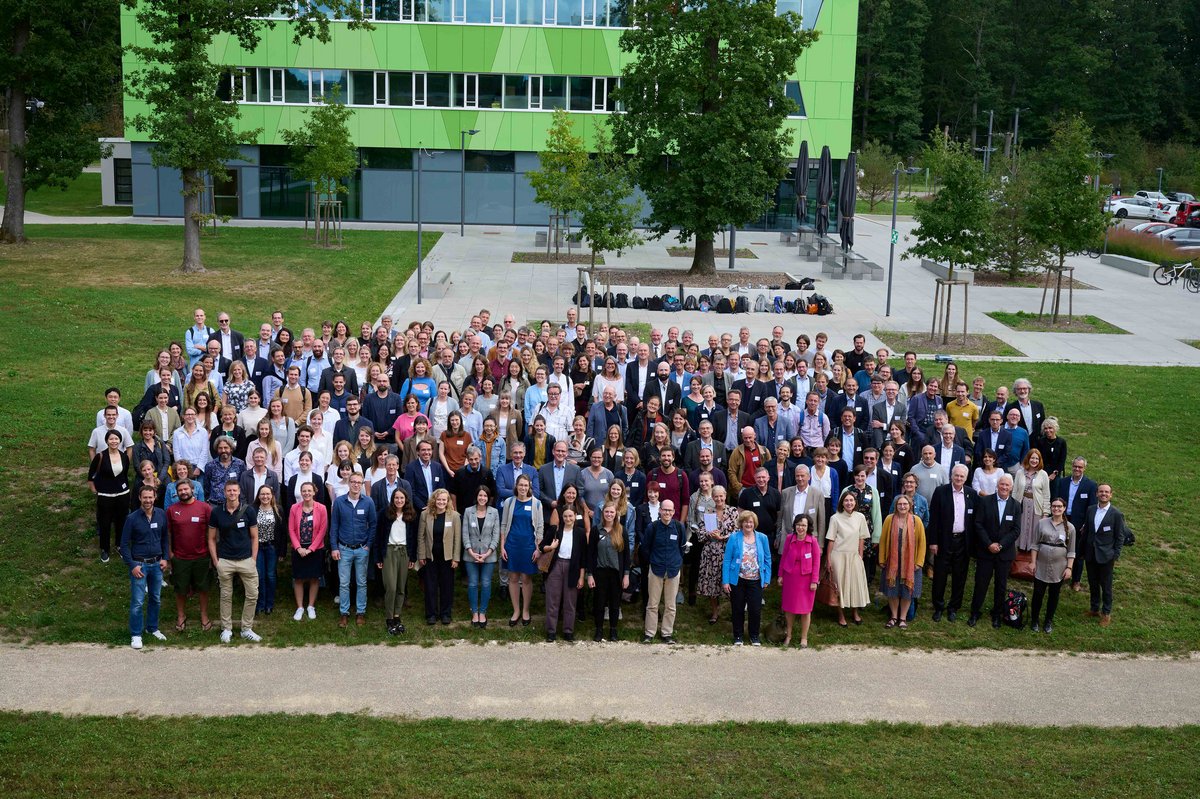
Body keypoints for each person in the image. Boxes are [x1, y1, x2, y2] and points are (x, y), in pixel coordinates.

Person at [207, 481, 261, 643]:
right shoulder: (217, 512)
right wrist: (216, 561)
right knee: (225, 596)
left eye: (234, 490)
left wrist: (253, 559)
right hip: (225, 560)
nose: (232, 493)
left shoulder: (249, 511)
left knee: (252, 595)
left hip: (246, 560)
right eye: (229, 490)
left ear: (239, 492)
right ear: (224, 493)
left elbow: (254, 537)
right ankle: (226, 629)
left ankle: (246, 628)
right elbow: (210, 539)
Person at [120, 486, 170, 650]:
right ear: (140, 498)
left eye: (150, 497)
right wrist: (132, 565)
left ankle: (152, 628)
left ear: (155, 497)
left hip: (157, 564)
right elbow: (124, 545)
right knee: (138, 602)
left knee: (155, 598)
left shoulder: (161, 514)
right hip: (139, 565)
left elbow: (165, 538)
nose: (148, 500)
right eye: (145, 498)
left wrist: (165, 558)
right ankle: (136, 634)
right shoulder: (132, 518)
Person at [970, 473, 1021, 628]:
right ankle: (975, 612)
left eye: (1007, 485)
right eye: (1002, 484)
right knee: (981, 583)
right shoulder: (985, 501)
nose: (1004, 487)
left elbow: (1016, 530)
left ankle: (997, 614)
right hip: (986, 551)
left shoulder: (1016, 505)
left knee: (1001, 585)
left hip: (1004, 554)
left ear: (1011, 487)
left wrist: (1000, 545)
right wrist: (989, 544)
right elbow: (978, 524)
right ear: (997, 485)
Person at [330, 472, 377, 627]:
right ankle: (344, 613)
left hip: (362, 549)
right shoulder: (339, 502)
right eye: (353, 482)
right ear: (348, 483)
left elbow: (373, 525)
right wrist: (334, 547)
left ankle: (360, 612)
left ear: (362, 484)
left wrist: (368, 545)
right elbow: (334, 526)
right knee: (344, 583)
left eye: (359, 482)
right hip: (344, 548)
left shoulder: (368, 502)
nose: (356, 485)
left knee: (361, 582)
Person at [166, 479, 213, 632]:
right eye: (180, 490)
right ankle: (181, 616)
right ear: (176, 493)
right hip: (180, 557)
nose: (183, 492)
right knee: (180, 589)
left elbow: (212, 533)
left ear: (193, 490)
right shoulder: (172, 510)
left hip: (202, 556)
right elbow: (168, 534)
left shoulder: (205, 508)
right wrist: (170, 554)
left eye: (186, 489)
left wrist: (212, 554)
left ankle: (204, 616)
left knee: (203, 588)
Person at [1080, 484, 1129, 627]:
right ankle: (1094, 609)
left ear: (1111, 495)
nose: (1104, 494)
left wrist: (1115, 554)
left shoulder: (1116, 514)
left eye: (1106, 492)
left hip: (1106, 556)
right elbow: (1087, 533)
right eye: (1101, 491)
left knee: (1106, 586)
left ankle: (1106, 613)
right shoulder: (1090, 510)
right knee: (1093, 583)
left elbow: (1120, 537)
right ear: (1096, 494)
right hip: (1090, 554)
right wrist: (1082, 551)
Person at [722, 509, 772, 646]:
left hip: (756, 580)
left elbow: (767, 559)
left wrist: (767, 578)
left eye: (750, 522)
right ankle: (738, 636)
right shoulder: (734, 537)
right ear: (741, 524)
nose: (748, 524)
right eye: (745, 522)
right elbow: (727, 560)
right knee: (737, 609)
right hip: (737, 579)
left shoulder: (762, 538)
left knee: (755, 609)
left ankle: (754, 636)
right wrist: (725, 581)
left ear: (754, 523)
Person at [641, 499, 687, 644]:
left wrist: (677, 561)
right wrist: (653, 561)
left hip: (673, 569)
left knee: (670, 605)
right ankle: (649, 633)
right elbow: (645, 548)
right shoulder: (652, 527)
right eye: (664, 510)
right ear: (660, 510)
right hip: (656, 568)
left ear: (673, 512)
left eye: (670, 510)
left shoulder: (679, 527)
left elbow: (682, 548)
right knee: (652, 604)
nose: (667, 512)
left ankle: (667, 634)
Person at [878, 494, 926, 629]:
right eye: (899, 504)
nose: (902, 506)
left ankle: (903, 618)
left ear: (910, 506)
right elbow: (883, 541)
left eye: (905, 504)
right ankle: (893, 616)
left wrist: (919, 562)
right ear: (896, 506)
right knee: (892, 590)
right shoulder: (889, 519)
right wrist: (882, 559)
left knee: (907, 591)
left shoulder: (916, 521)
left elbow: (922, 543)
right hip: (892, 563)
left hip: (911, 564)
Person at [500, 473, 543, 626]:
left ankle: (525, 610)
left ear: (529, 487)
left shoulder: (536, 504)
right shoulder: (509, 502)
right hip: (512, 545)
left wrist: (538, 549)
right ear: (516, 486)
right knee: (512, 578)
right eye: (521, 485)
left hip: (529, 546)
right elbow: (503, 525)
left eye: (526, 485)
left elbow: (539, 528)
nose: (523, 488)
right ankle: (516, 610)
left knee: (525, 579)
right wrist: (502, 546)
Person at [1029, 497, 1076, 634]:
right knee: (1038, 594)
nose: (1056, 508)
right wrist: (1033, 562)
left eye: (1059, 506)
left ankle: (1048, 620)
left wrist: (1069, 568)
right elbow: (1035, 544)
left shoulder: (1070, 528)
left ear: (1064, 508)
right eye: (1054, 506)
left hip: (1059, 567)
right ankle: (1034, 620)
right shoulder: (1042, 523)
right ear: (1051, 508)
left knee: (1054, 595)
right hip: (1041, 564)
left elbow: (1072, 550)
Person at [541, 505, 587, 642]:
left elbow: (583, 557)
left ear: (575, 517)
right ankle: (551, 631)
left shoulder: (580, 533)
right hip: (556, 566)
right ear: (562, 517)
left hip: (572, 567)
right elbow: (541, 547)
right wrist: (551, 547)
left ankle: (568, 630)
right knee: (552, 600)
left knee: (570, 601)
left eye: (570, 516)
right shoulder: (555, 530)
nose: (568, 518)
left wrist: (581, 576)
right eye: (565, 516)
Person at [416, 487, 461, 626]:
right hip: (430, 557)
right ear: (434, 500)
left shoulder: (454, 516)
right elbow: (421, 537)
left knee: (447, 587)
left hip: (447, 558)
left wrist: (456, 558)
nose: (441, 502)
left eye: (444, 500)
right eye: (439, 499)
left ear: (447, 501)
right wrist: (422, 555)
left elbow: (457, 539)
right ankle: (431, 614)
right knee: (430, 587)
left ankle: (445, 614)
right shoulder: (425, 515)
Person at [825, 491, 871, 627]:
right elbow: (831, 540)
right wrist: (828, 560)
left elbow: (861, 538)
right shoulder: (835, 518)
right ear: (842, 503)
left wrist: (860, 556)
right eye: (846, 500)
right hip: (838, 556)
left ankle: (855, 613)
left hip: (854, 556)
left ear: (855, 502)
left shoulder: (860, 517)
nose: (849, 503)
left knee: (854, 585)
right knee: (840, 586)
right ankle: (841, 615)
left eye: (851, 500)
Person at [1053, 456, 1097, 593]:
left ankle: (1076, 580)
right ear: (1072, 466)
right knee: (1060, 548)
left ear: (1084, 468)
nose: (1077, 469)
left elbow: (1092, 507)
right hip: (1063, 518)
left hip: (1079, 523)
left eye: (1080, 467)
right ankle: (1058, 576)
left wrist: (1086, 524)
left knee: (1077, 552)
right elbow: (1056, 499)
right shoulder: (1063, 482)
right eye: (1075, 466)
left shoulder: (1090, 485)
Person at [460, 484, 500, 629]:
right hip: (471, 554)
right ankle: (474, 612)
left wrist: (488, 552)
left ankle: (483, 612)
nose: (482, 498)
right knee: (472, 583)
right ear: (476, 497)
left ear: (488, 497)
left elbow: (496, 535)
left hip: (488, 555)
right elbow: (465, 534)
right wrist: (470, 551)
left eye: (485, 495)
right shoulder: (468, 511)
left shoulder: (494, 512)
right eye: (480, 495)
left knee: (486, 583)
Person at [88, 430, 131, 563]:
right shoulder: (100, 456)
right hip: (105, 495)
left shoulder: (124, 456)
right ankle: (104, 549)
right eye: (111, 439)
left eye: (116, 439)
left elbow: (124, 474)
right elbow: (91, 475)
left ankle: (119, 546)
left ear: (120, 441)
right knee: (105, 522)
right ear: (107, 441)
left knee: (121, 522)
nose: (114, 441)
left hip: (122, 495)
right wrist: (95, 489)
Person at [779, 514, 821, 647]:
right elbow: (784, 557)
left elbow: (816, 563)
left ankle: (804, 638)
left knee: (805, 610)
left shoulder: (813, 541)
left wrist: (814, 580)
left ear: (808, 527)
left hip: (807, 580)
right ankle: (789, 635)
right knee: (789, 609)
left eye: (803, 525)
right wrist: (780, 575)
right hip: (790, 577)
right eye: (798, 524)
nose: (800, 528)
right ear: (794, 526)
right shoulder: (789, 538)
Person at [287, 481, 327, 622]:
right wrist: (298, 547)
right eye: (304, 491)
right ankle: (300, 607)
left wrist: (311, 549)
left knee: (314, 578)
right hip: (299, 548)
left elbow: (323, 530)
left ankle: (311, 606)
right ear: (301, 492)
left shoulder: (321, 508)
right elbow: (291, 529)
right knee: (298, 578)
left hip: (315, 548)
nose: (307, 493)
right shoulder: (294, 508)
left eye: (309, 490)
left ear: (314, 492)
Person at [251, 484, 283, 616]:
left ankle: (269, 604)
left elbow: (282, 532)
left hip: (271, 547)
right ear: (258, 496)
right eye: (262, 494)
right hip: (257, 547)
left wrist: (281, 551)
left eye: (268, 494)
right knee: (259, 575)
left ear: (272, 495)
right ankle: (260, 604)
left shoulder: (278, 510)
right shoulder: (252, 510)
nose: (265, 496)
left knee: (270, 575)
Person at [1012, 448, 1051, 552]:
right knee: (1021, 527)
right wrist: (1012, 507)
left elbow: (1046, 495)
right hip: (1021, 504)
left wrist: (1046, 512)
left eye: (1037, 459)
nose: (1034, 460)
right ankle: (1019, 550)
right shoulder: (1020, 472)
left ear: (1040, 460)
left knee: (1034, 530)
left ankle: (1031, 553)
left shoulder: (1043, 474)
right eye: (1032, 458)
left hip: (1036, 506)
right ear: (1028, 458)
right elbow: (1015, 491)